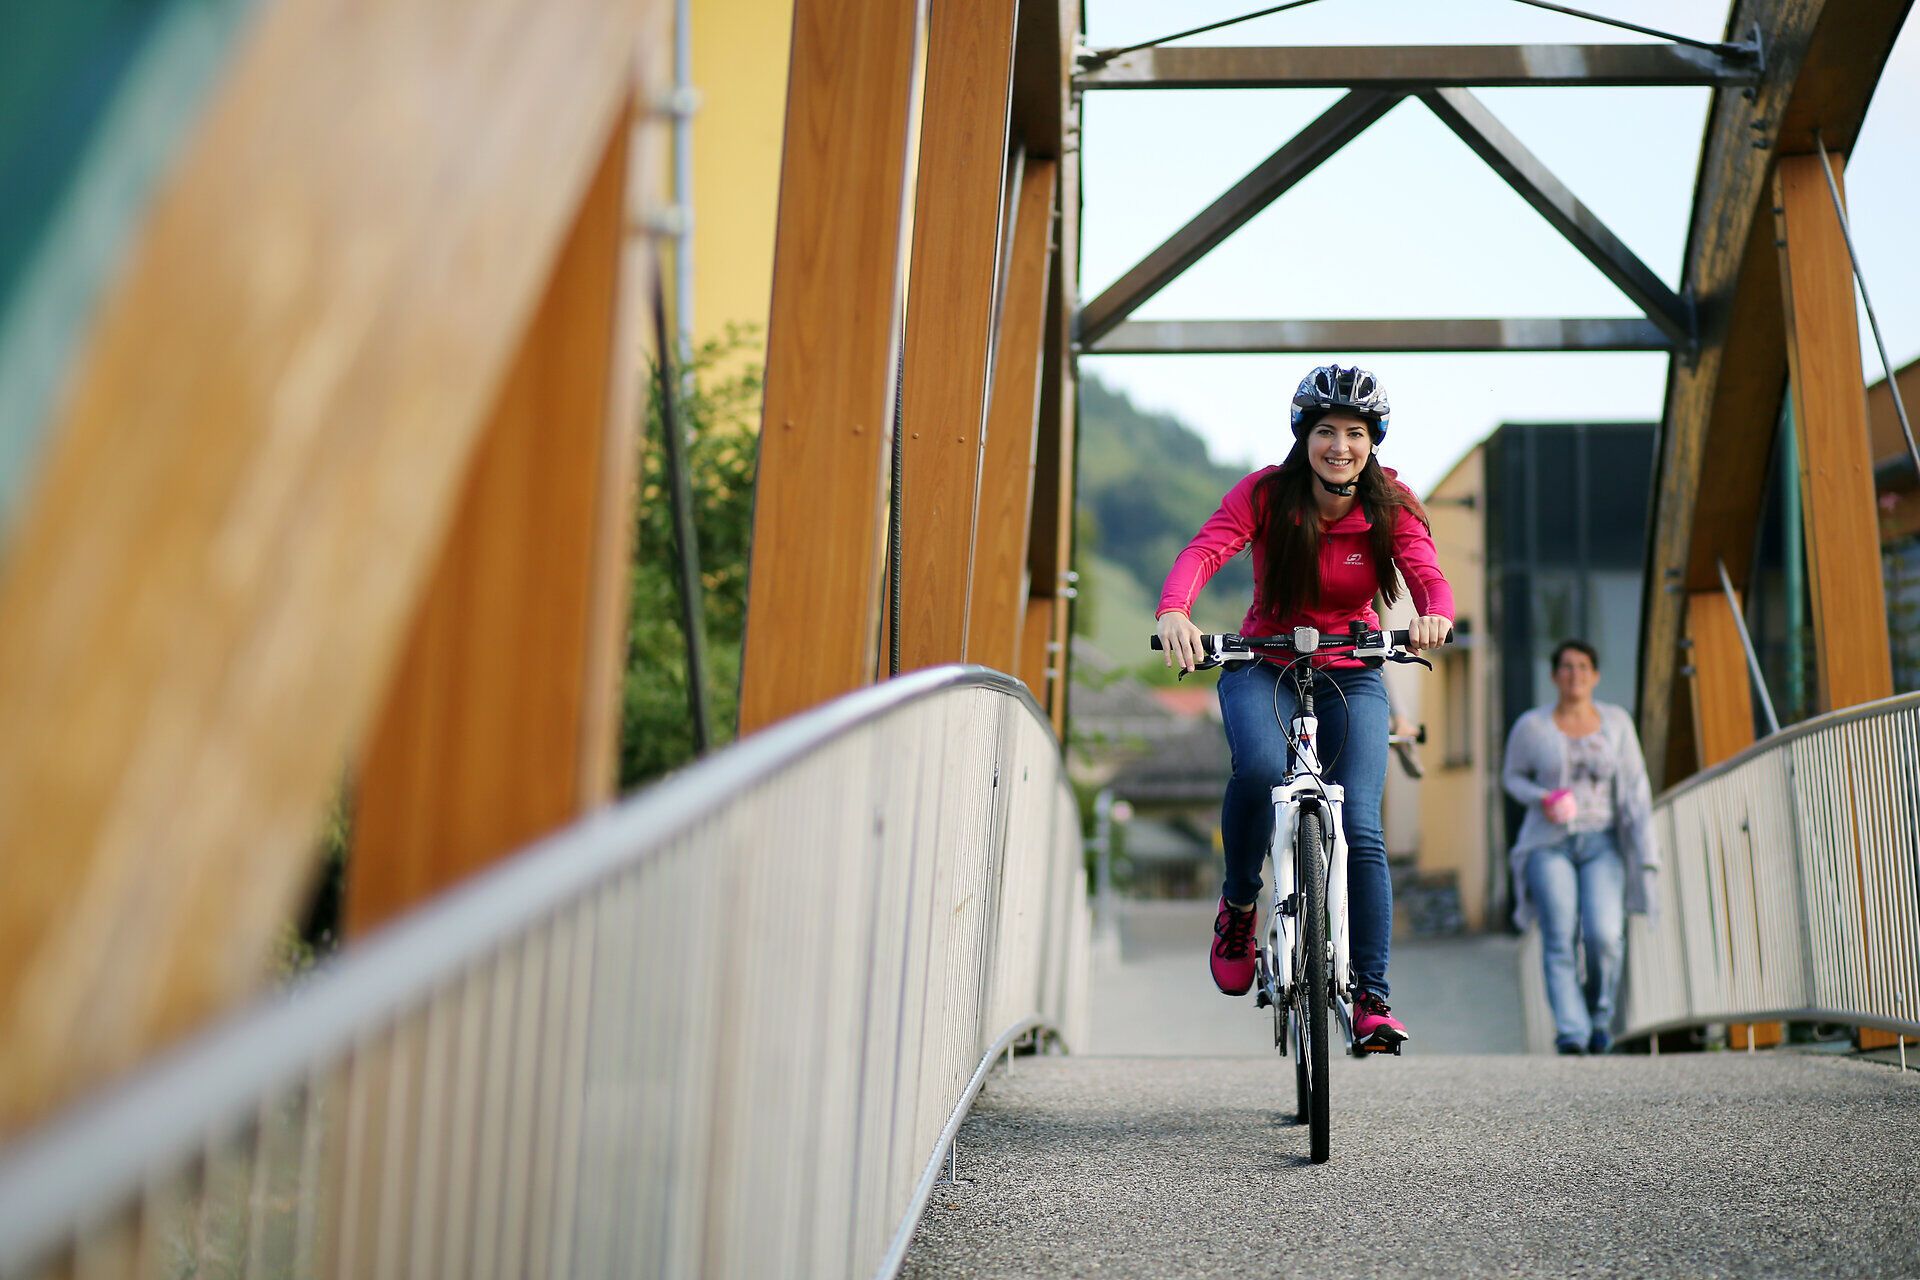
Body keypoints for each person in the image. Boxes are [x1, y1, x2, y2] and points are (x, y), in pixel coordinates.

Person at [1156, 365, 1453, 1048]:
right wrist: (1176, 610)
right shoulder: (1266, 494)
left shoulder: (1391, 505)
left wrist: (1435, 615)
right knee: (1260, 770)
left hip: (1354, 669)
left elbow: (1429, 576)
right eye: (1326, 430)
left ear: (1372, 441)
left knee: (1365, 827)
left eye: (1354, 432)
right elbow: (1205, 550)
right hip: (1265, 663)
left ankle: (1373, 998)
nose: (1339, 445)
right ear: (1305, 436)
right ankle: (1238, 904)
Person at [1501, 639, 1660, 1055]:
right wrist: (1542, 798)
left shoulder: (1618, 723)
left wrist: (1646, 849)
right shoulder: (1531, 726)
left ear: (1596, 676)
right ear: (1554, 676)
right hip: (1547, 844)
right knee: (1559, 935)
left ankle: (1599, 1017)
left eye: (1584, 667)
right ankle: (1571, 1031)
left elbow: (1637, 789)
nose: (1575, 675)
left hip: (1603, 842)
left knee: (1604, 934)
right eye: (1567, 667)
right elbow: (1512, 778)